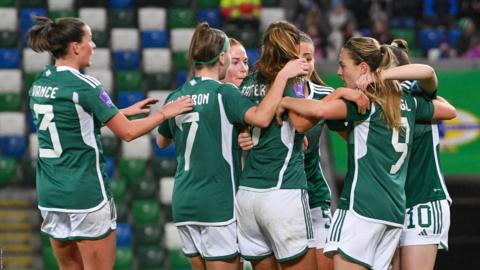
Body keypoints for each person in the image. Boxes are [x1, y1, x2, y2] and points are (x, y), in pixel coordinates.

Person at [274, 37, 456, 270]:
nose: (339, 71)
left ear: (366, 69)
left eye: (343, 65)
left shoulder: (366, 102)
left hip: (369, 206)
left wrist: (286, 100)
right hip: (394, 209)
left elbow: (316, 112)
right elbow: (447, 107)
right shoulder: (413, 101)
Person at [28, 16, 192, 270]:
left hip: (50, 193)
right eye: (90, 40)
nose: (94, 46)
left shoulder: (40, 84)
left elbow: (70, 124)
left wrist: (119, 112)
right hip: (85, 192)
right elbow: (128, 134)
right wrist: (165, 113)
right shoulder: (85, 85)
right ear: (75, 47)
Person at [156, 22, 309, 270]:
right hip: (218, 203)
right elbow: (260, 117)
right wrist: (282, 77)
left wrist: (235, 133)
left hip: (183, 201)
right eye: (235, 60)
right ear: (223, 57)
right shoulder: (224, 93)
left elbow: (162, 141)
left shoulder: (176, 95)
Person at [387, 39, 452, 270]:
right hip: (391, 204)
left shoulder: (416, 92)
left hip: (424, 198)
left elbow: (427, 72)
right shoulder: (378, 100)